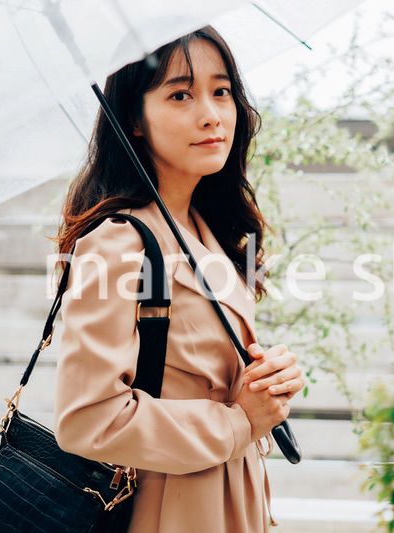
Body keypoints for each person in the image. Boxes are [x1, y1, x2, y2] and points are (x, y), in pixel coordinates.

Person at [51, 25, 305, 532]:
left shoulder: (205, 229)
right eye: (180, 94)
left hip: (230, 495)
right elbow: (87, 419)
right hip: (168, 508)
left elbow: (193, 368)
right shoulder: (118, 243)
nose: (211, 114)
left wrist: (269, 377)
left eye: (222, 91)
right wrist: (239, 421)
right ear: (135, 121)